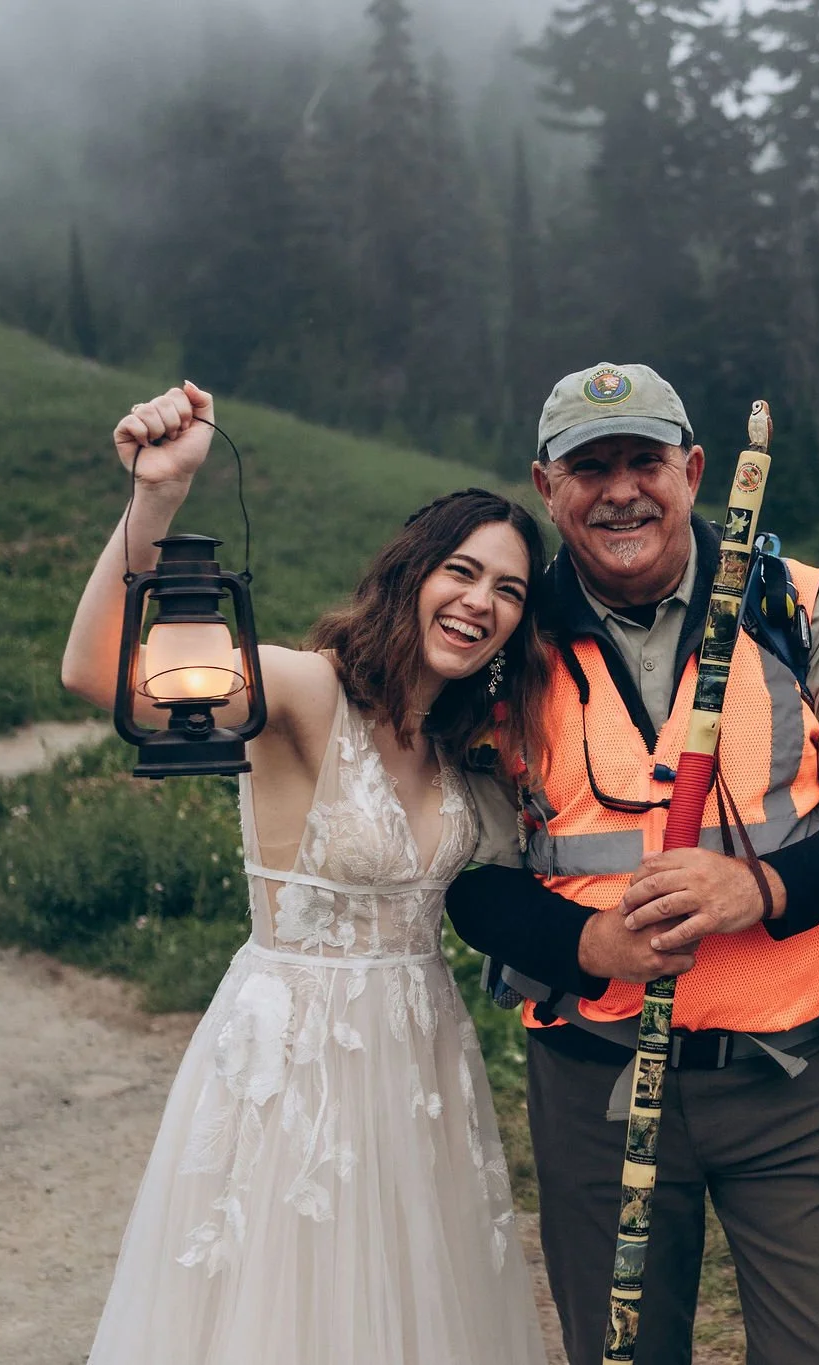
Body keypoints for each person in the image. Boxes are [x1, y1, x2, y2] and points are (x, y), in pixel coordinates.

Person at [58, 382, 552, 1365]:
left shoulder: (464, 746)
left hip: (419, 1064)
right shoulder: (303, 689)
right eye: (461, 571)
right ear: (410, 572)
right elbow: (96, 672)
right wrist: (158, 497)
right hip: (299, 1064)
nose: (480, 602)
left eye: (507, 590)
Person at [446, 363, 819, 1365]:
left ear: (695, 469)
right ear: (546, 487)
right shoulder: (505, 642)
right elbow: (473, 881)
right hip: (593, 1082)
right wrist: (593, 942)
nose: (619, 490)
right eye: (589, 468)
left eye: (643, 462)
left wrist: (758, 888)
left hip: (795, 1080)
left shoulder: (797, 607)